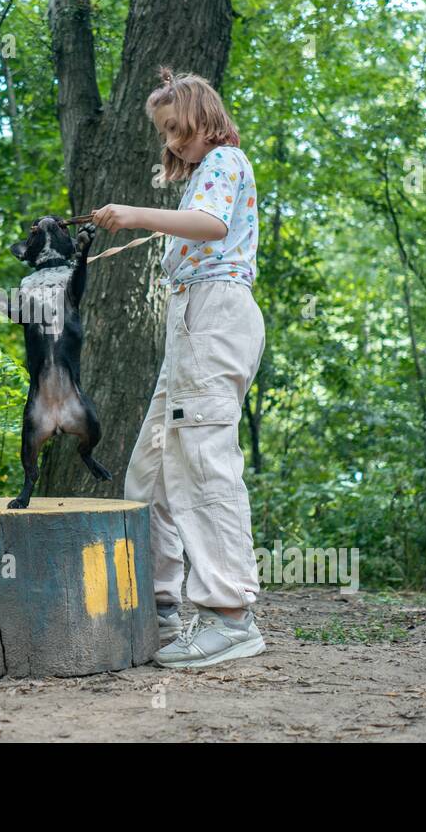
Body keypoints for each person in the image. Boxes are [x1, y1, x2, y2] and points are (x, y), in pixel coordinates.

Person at [91, 66, 266, 669]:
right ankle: (157, 609)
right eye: (164, 132)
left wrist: (136, 214)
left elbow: (214, 227)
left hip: (214, 315)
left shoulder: (223, 161)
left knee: (202, 462)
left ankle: (229, 615)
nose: (170, 141)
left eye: (175, 127)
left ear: (202, 116)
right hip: (190, 323)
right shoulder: (202, 177)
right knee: (150, 474)